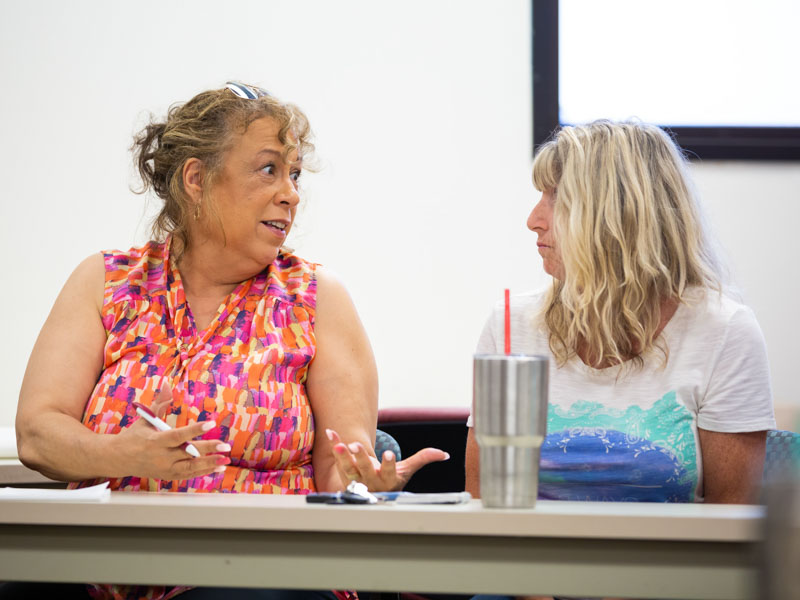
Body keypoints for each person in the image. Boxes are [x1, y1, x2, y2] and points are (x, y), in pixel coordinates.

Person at [10, 81, 447, 600]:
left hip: (265, 569)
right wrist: (121, 455)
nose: (291, 193)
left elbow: (342, 466)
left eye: (295, 174)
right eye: (268, 169)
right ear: (196, 179)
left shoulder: (315, 296)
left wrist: (363, 489)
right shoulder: (107, 282)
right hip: (106, 571)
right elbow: (37, 434)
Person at [465, 120, 775, 600]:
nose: (533, 219)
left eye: (554, 198)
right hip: (523, 585)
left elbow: (730, 527)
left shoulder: (724, 330)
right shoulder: (512, 323)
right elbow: (484, 499)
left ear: (614, 217)